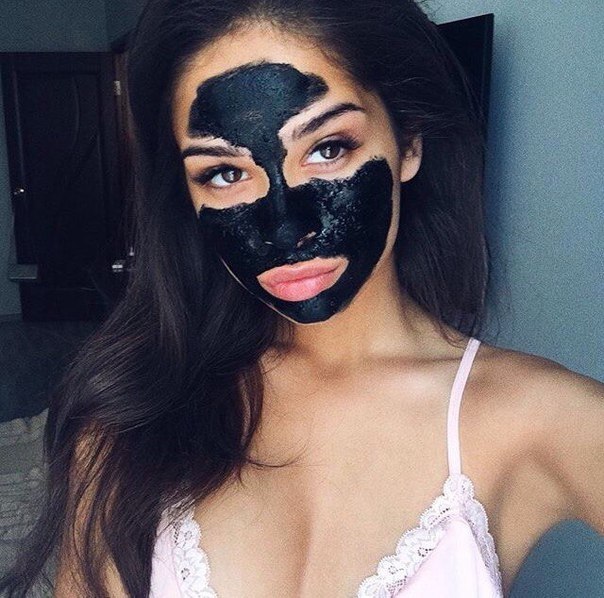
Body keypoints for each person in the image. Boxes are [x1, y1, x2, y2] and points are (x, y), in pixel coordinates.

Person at [1, 0, 602, 596]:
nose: (285, 230)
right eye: (225, 173)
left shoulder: (544, 419)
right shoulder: (130, 414)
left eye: (327, 148)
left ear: (409, 142)